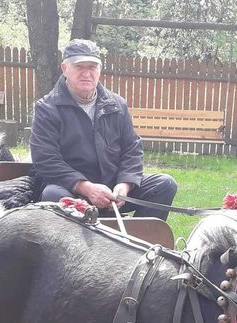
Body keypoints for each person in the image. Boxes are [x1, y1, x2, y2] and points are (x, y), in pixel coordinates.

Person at [30, 39, 177, 220]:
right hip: (72, 190)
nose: (86, 73)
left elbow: (132, 149)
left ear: (99, 69)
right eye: (79, 66)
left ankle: (138, 235)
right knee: (53, 195)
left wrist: (125, 184)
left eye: (92, 67)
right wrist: (86, 188)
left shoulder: (117, 104)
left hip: (113, 189)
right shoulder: (47, 108)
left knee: (164, 184)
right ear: (65, 68)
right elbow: (46, 160)